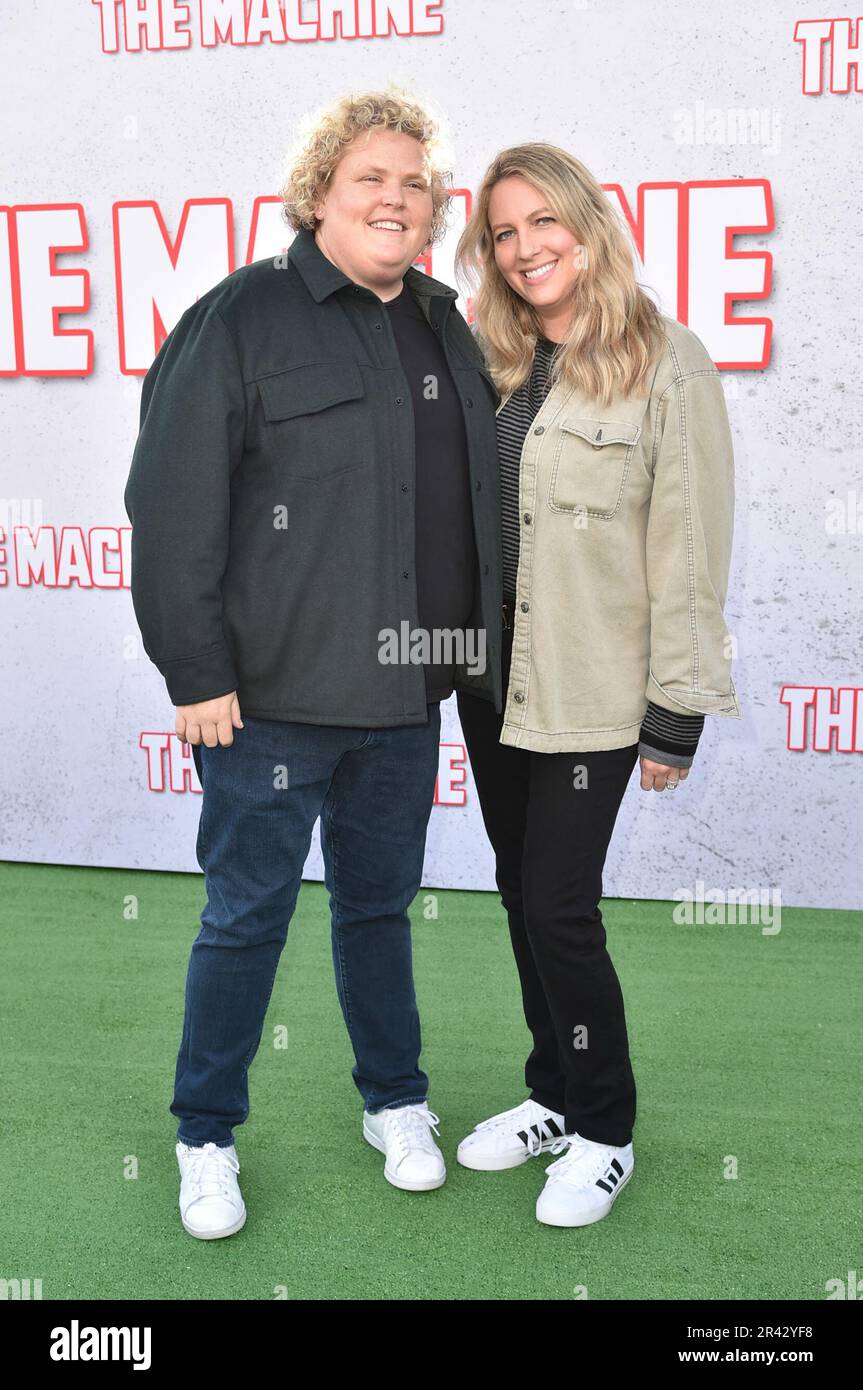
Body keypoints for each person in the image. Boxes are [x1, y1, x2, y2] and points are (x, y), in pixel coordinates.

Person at [123, 86, 505, 1238]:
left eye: (413, 182)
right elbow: (170, 503)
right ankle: (204, 1133)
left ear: (436, 205)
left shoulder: (444, 320)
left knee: (380, 910)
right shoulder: (237, 317)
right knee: (246, 918)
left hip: (404, 695)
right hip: (267, 706)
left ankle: (394, 1100)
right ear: (318, 194)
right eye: (368, 179)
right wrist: (194, 673)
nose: (394, 198)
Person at [452, 143, 742, 1228]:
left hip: (594, 689)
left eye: (542, 223)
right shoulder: (487, 355)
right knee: (519, 893)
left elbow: (687, 545)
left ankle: (604, 1127)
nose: (524, 248)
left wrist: (674, 713)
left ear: (587, 223)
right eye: (501, 232)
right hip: (491, 687)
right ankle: (549, 1094)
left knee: (562, 909)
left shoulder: (667, 358)